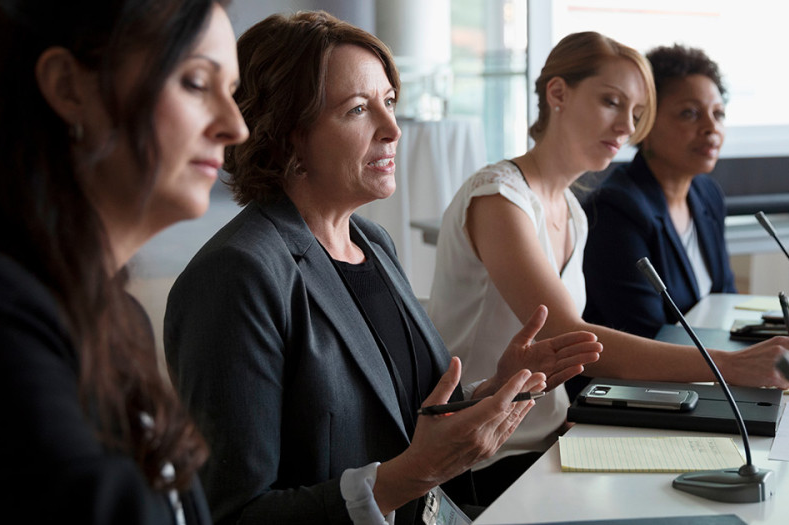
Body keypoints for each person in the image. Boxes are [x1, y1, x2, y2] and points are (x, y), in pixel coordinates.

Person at [163, 11, 602, 525]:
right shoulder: (239, 275)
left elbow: (401, 417)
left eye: (389, 102)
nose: (392, 128)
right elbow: (235, 515)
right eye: (357, 110)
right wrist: (410, 476)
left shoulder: (372, 241)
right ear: (286, 135)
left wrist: (493, 391)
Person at [427, 32, 789, 502]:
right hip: (482, 458)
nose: (626, 128)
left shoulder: (572, 210)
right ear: (558, 94)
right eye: (611, 102)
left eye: (635, 114)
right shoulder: (499, 197)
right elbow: (565, 336)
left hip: (548, 442)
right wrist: (731, 367)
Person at [0, 1, 247, 523]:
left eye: (234, 93)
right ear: (68, 87)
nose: (235, 126)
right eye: (197, 83)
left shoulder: (115, 314)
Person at [582, 44, 735, 339]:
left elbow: (726, 299)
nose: (710, 127)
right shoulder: (617, 209)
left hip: (707, 366)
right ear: (644, 122)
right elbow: (644, 333)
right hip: (642, 379)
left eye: (718, 114)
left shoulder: (707, 194)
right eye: (689, 113)